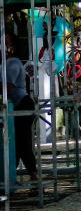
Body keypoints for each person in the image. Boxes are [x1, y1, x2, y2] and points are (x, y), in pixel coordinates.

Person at [2, 34, 38, 182]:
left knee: (22, 142)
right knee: (16, 142)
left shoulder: (13, 63)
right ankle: (11, 176)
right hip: (15, 106)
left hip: (22, 104)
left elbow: (7, 86)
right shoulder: (6, 63)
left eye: (6, 43)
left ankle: (34, 177)